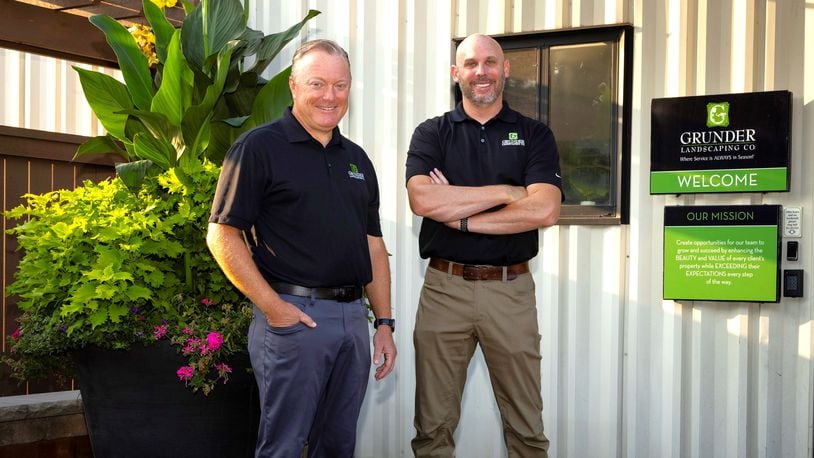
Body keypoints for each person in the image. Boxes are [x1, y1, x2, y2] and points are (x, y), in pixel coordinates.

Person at [207, 39, 396, 458]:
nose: (330, 96)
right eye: (317, 84)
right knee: (285, 445)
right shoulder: (259, 148)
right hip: (295, 320)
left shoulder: (357, 160)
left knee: (338, 444)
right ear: (293, 86)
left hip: (352, 320)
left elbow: (372, 245)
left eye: (340, 85)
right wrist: (273, 308)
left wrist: (383, 322)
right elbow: (222, 235)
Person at [405, 33, 563, 457]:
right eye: (471, 63)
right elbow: (422, 199)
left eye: (490, 62)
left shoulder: (535, 135)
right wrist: (508, 192)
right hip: (443, 289)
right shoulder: (432, 133)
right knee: (432, 426)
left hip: (510, 291)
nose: (481, 71)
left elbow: (544, 209)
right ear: (456, 73)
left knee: (526, 425)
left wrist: (460, 215)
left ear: (505, 69)